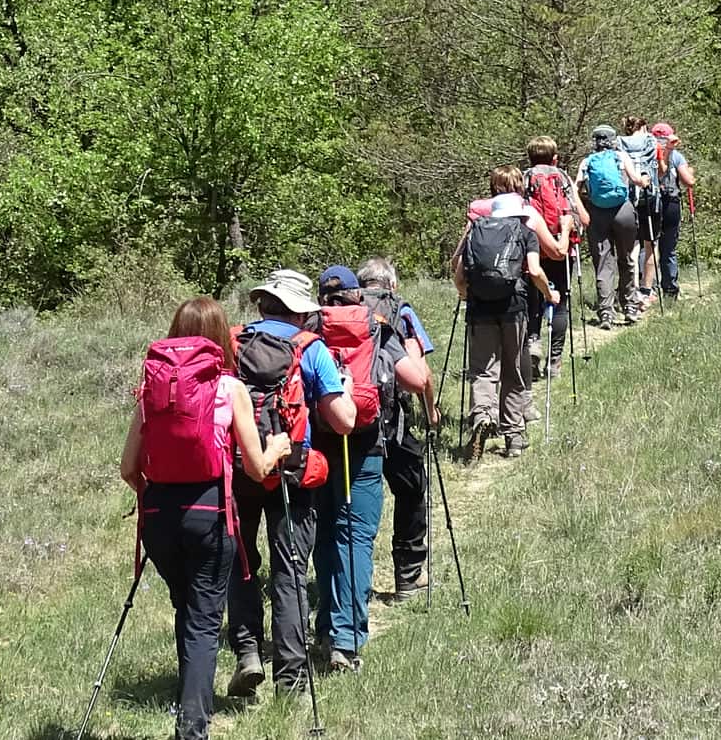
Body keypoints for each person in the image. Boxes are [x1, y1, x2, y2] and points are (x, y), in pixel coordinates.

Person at [119, 299, 291, 740]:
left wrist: (153, 495)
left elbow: (128, 468)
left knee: (187, 606)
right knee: (203, 619)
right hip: (209, 512)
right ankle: (192, 727)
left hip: (159, 514)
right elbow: (257, 468)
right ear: (220, 337)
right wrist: (278, 448)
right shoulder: (229, 388)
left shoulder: (153, 388)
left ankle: (189, 699)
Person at [228, 270, 355, 698]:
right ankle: (292, 678)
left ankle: (247, 653)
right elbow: (344, 421)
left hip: (241, 468)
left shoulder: (233, 343)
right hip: (291, 472)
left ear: (262, 303)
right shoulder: (310, 348)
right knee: (290, 571)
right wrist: (345, 389)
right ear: (301, 312)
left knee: (242, 563)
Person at [453, 168, 560, 459]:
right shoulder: (525, 231)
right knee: (513, 370)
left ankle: (481, 416)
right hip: (514, 307)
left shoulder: (476, 229)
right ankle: (513, 436)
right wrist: (549, 294)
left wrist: (465, 294)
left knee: (483, 369)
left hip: (480, 309)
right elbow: (535, 271)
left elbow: (458, 274)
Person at [350, 259, 439, 602]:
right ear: (392, 284)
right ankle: (409, 575)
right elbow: (421, 374)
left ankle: (352, 583)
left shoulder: (344, 312)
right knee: (412, 489)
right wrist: (431, 411)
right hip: (392, 421)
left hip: (350, 421)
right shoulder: (400, 312)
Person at [520, 137, 585, 376]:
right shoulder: (563, 177)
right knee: (560, 302)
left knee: (532, 298)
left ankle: (533, 344)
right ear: (555, 158)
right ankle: (555, 360)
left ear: (530, 158)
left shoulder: (524, 178)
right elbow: (580, 217)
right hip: (561, 244)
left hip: (533, 246)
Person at [579, 126, 647, 325]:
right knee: (626, 258)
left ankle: (606, 312)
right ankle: (629, 305)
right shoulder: (621, 156)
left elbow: (576, 188)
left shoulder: (587, 161)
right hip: (623, 211)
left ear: (595, 141)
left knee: (603, 263)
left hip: (597, 213)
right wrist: (645, 180)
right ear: (613, 140)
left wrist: (581, 211)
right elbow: (636, 180)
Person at [650, 122, 696, 299]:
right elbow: (689, 182)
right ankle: (670, 289)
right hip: (671, 204)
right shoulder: (676, 156)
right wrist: (691, 172)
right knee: (668, 248)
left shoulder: (646, 154)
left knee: (649, 246)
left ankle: (648, 289)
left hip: (650, 204)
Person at [619, 116, 661, 305]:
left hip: (627, 200)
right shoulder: (652, 141)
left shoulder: (619, 144)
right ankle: (647, 289)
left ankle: (632, 288)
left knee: (632, 246)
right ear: (643, 126)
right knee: (651, 244)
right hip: (649, 197)